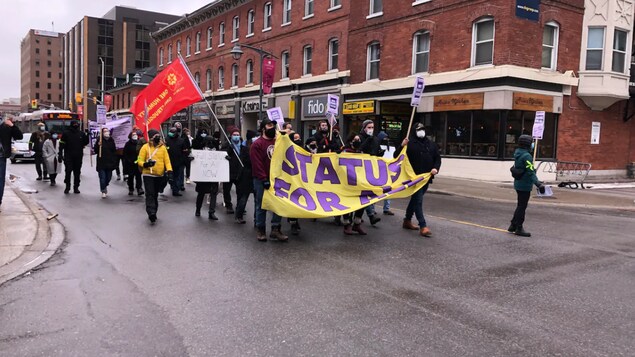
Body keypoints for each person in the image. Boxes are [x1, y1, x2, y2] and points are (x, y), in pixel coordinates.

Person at [398, 123, 442, 237]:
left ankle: (407, 220)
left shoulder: (431, 144)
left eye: (423, 129)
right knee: (418, 201)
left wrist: (435, 168)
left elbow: (437, 158)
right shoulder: (410, 144)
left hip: (426, 178)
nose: (421, 131)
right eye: (419, 129)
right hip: (414, 178)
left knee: (415, 200)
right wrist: (402, 146)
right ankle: (423, 226)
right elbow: (396, 156)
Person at [251, 118, 288, 242]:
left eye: (273, 125)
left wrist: (285, 139)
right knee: (262, 205)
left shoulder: (278, 142)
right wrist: (263, 178)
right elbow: (257, 164)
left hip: (277, 179)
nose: (272, 127)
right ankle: (261, 230)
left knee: (279, 204)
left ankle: (275, 229)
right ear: (263, 128)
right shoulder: (257, 144)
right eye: (269, 125)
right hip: (262, 180)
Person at [508, 134, 545, 237]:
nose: (533, 144)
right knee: (522, 207)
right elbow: (530, 172)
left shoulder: (517, 153)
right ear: (528, 144)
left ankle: (513, 225)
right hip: (524, 185)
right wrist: (538, 183)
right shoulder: (527, 156)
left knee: (520, 205)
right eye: (531, 142)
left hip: (518, 183)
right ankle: (519, 227)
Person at [138, 129, 173, 223]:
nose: (158, 137)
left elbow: (167, 160)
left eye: (158, 135)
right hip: (148, 174)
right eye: (155, 135)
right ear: (151, 137)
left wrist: (169, 171)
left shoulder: (163, 148)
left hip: (159, 175)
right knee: (150, 193)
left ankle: (154, 210)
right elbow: (139, 159)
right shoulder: (145, 147)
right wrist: (145, 164)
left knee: (155, 194)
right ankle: (151, 212)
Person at [191, 128, 221, 220]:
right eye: (208, 142)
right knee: (201, 194)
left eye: (211, 141)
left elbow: (220, 161)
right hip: (202, 176)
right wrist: (191, 159)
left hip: (213, 176)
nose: (210, 144)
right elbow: (193, 159)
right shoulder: (200, 151)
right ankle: (198, 210)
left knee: (213, 194)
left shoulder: (217, 151)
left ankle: (211, 212)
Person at [342, 133, 368, 235]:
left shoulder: (361, 152)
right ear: (351, 141)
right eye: (355, 140)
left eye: (359, 140)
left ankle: (357, 224)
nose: (358, 142)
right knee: (348, 204)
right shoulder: (345, 151)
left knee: (361, 203)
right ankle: (347, 224)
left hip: (359, 182)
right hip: (347, 182)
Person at [358, 119, 382, 226]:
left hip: (372, 170)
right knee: (365, 193)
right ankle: (371, 215)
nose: (371, 129)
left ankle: (361, 216)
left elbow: (377, 151)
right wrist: (368, 140)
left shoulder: (376, 139)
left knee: (369, 193)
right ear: (364, 128)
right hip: (361, 170)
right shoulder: (360, 138)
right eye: (369, 127)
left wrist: (380, 153)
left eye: (372, 127)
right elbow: (358, 150)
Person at [59, 120, 89, 194]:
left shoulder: (81, 134)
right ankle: (67, 186)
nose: (76, 125)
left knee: (77, 172)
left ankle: (76, 187)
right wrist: (60, 154)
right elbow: (61, 145)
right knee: (68, 171)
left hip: (78, 156)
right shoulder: (66, 133)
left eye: (77, 124)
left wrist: (87, 135)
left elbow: (86, 142)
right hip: (68, 156)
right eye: (74, 124)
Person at [0, 117, 23, 210]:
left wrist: (12, 126)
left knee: (0, 180)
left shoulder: (5, 126)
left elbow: (19, 136)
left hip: (1, 157)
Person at [234, 130, 256, 224]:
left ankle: (256, 219)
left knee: (256, 199)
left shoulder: (247, 147)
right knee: (244, 197)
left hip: (254, 175)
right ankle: (239, 215)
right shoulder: (245, 148)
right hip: (247, 175)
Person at [222, 127, 243, 214]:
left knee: (240, 191)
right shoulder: (227, 144)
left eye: (237, 135)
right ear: (231, 136)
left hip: (240, 172)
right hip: (229, 171)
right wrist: (229, 150)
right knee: (226, 190)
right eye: (234, 135)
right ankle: (228, 206)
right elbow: (222, 155)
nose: (236, 136)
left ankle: (240, 206)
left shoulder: (243, 145)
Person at [94, 127, 118, 199]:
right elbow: (96, 151)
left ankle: (105, 185)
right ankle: (103, 191)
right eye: (104, 131)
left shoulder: (111, 140)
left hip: (109, 162)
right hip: (101, 162)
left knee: (108, 177)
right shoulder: (99, 140)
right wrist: (98, 145)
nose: (106, 132)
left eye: (107, 131)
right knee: (102, 178)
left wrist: (114, 161)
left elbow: (114, 151)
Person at [165, 126, 188, 196]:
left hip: (179, 161)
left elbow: (185, 150)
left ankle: (176, 190)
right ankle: (172, 185)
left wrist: (184, 158)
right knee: (170, 176)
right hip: (169, 161)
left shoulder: (181, 140)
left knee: (177, 176)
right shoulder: (167, 140)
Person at [123, 131, 144, 196]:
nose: (135, 136)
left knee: (138, 176)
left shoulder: (139, 143)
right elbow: (125, 153)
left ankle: (139, 188)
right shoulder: (128, 144)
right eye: (133, 135)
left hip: (138, 162)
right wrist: (129, 160)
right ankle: (131, 189)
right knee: (131, 177)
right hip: (130, 163)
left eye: (136, 135)